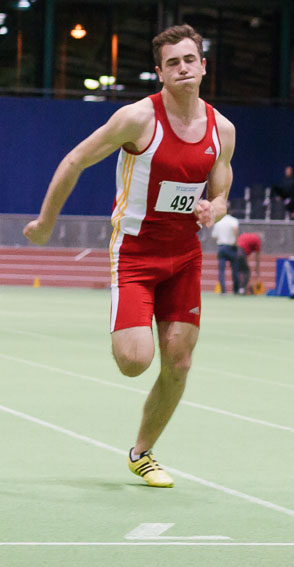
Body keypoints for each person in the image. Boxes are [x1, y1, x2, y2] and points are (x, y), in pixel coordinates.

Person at [23, 24, 235, 488]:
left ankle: (143, 453)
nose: (183, 68)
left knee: (178, 362)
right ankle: (129, 319)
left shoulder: (222, 129)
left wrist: (213, 208)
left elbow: (222, 185)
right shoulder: (137, 120)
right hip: (135, 254)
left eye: (190, 60)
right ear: (159, 72)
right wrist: (44, 222)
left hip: (185, 256)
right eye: (172, 63)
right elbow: (75, 160)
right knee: (135, 361)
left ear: (203, 66)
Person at [210, 211, 241, 295]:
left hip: (222, 247)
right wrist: (235, 241)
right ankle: (236, 290)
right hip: (231, 247)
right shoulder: (233, 220)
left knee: (221, 270)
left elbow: (214, 236)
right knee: (235, 270)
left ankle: (223, 291)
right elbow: (235, 229)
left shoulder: (218, 221)